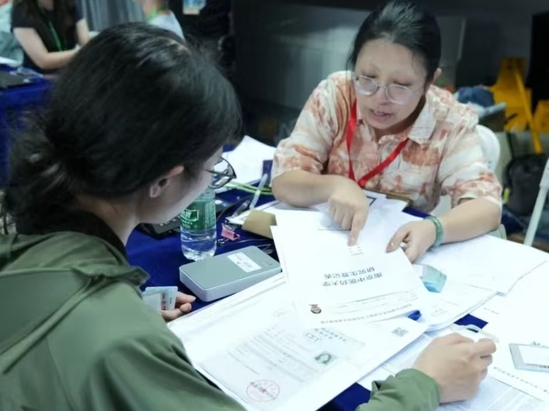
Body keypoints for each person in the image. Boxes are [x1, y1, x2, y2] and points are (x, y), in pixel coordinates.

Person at [0, 23, 495, 411]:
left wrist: (127, 307)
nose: (380, 96)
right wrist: (422, 385)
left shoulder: (31, 247)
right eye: (214, 167)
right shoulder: (119, 343)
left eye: (400, 85)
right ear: (164, 180)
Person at [271, 1, 502, 262]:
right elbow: (284, 180)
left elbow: (487, 207)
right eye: (368, 77)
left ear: (429, 82)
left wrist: (434, 229)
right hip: (326, 242)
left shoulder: (448, 121)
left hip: (393, 251)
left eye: (400, 85)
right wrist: (336, 185)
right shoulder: (337, 96)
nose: (379, 98)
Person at [11, 0, 89, 73]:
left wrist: (88, 50)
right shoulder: (22, 10)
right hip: (41, 77)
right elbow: (44, 61)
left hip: (70, 72)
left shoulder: (68, 2)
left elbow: (86, 42)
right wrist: (83, 53)